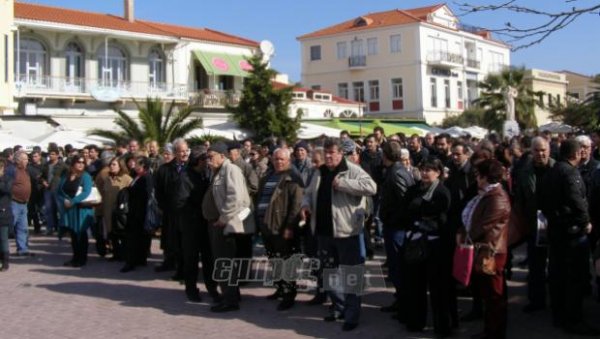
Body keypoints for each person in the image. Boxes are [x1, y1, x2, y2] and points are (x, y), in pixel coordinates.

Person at [301, 138, 377, 331]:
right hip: (323, 232)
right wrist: (306, 204)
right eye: (326, 153)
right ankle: (339, 307)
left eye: (332, 152)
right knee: (330, 274)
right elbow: (308, 193)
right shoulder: (319, 171)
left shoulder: (351, 169)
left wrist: (344, 184)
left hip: (347, 232)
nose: (328, 156)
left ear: (340, 153)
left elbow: (371, 187)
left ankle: (352, 315)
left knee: (351, 275)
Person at [541, 139, 599, 336]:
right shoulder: (569, 172)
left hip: (556, 230)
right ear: (574, 154)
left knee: (558, 275)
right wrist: (586, 221)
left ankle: (559, 315)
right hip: (571, 232)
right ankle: (573, 319)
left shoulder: (552, 171)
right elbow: (577, 200)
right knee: (574, 277)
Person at [459, 159, 511, 339]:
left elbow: (484, 226)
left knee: (494, 295)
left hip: (492, 252)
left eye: (479, 176)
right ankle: (490, 330)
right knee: (488, 294)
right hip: (486, 250)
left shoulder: (497, 198)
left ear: (485, 177)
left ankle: (495, 333)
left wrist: (466, 236)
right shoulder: (488, 194)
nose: (477, 179)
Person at [202, 142, 255, 313]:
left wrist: (223, 218)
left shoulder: (230, 170)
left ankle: (229, 300)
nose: (208, 160)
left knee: (224, 263)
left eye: (211, 157)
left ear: (222, 156)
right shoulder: (217, 171)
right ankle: (232, 295)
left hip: (225, 225)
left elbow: (236, 198)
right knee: (224, 262)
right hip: (217, 224)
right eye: (207, 157)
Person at [404, 159, 452, 336]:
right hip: (416, 242)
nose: (425, 173)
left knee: (438, 289)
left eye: (429, 170)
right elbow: (407, 210)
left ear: (438, 172)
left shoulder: (442, 191)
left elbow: (441, 216)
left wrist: (422, 211)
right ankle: (416, 322)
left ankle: (442, 326)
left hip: (436, 245)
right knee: (416, 286)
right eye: (423, 169)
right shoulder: (415, 189)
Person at [256, 148, 304, 311]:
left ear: (288, 160)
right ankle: (280, 288)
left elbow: (296, 206)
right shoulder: (268, 176)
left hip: (281, 227)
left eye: (282, 159)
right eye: (276, 159)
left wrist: (290, 227)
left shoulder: (293, 178)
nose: (279, 162)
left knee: (286, 262)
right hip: (266, 226)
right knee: (274, 261)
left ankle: (289, 295)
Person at [512, 137, 555, 313]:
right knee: (536, 267)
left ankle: (558, 301)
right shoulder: (524, 172)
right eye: (537, 150)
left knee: (556, 266)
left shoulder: (558, 169)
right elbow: (519, 199)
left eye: (543, 150)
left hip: (555, 224)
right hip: (533, 225)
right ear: (531, 151)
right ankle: (536, 301)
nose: (540, 153)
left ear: (549, 150)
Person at [175, 147, 220, 303]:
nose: (208, 161)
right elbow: (181, 202)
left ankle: (212, 287)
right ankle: (191, 288)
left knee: (209, 258)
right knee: (191, 259)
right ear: (198, 161)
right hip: (191, 226)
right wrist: (200, 211)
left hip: (206, 224)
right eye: (205, 159)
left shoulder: (206, 174)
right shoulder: (185, 177)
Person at [378, 141, 415, 319]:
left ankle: (405, 305)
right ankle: (401, 301)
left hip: (397, 228)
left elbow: (404, 202)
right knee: (396, 268)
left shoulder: (397, 173)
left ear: (386, 155)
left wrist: (393, 219)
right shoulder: (396, 171)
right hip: (394, 226)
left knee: (398, 268)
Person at [57, 155, 95, 267]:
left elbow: (86, 192)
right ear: (73, 163)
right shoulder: (66, 176)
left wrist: (73, 201)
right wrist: (64, 200)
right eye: (78, 162)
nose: (81, 164)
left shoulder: (86, 176)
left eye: (83, 162)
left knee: (81, 234)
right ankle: (75, 257)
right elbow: (59, 191)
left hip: (81, 209)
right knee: (73, 234)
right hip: (69, 210)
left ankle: (82, 259)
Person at [120, 157, 153, 273]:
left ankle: (132, 261)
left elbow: (146, 196)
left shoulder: (146, 178)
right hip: (134, 211)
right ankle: (137, 259)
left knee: (134, 238)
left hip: (139, 212)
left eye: (137, 164)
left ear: (143, 166)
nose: (134, 165)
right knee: (135, 237)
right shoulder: (137, 176)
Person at [101, 157, 132, 261]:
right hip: (108, 210)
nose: (111, 166)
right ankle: (116, 254)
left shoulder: (126, 178)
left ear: (120, 166)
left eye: (114, 164)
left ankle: (125, 254)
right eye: (110, 165)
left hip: (121, 211)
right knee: (112, 233)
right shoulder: (106, 179)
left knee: (122, 233)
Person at [7, 150, 32, 256]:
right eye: (25, 159)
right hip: (14, 203)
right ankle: (3, 251)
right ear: (18, 160)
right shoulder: (12, 170)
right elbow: (6, 185)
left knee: (23, 228)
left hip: (23, 203)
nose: (27, 161)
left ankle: (22, 249)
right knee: (8, 227)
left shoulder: (25, 170)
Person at [41, 147, 67, 236]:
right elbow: (41, 176)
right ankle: (49, 228)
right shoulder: (46, 165)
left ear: (57, 155)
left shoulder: (62, 165)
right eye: (50, 154)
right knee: (48, 210)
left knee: (60, 210)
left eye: (52, 154)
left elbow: (67, 176)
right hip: (48, 190)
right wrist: (43, 181)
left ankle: (62, 229)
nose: (51, 156)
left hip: (58, 190)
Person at [27, 150, 44, 234]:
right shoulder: (29, 167)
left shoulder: (44, 166)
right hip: (33, 191)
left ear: (40, 156)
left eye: (36, 156)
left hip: (42, 191)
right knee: (33, 210)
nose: (34, 158)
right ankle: (37, 227)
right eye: (33, 157)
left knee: (42, 209)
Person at [0, 159, 13, 271]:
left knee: (3, 238)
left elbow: (6, 189)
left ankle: (5, 261)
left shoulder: (7, 179)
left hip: (3, 213)